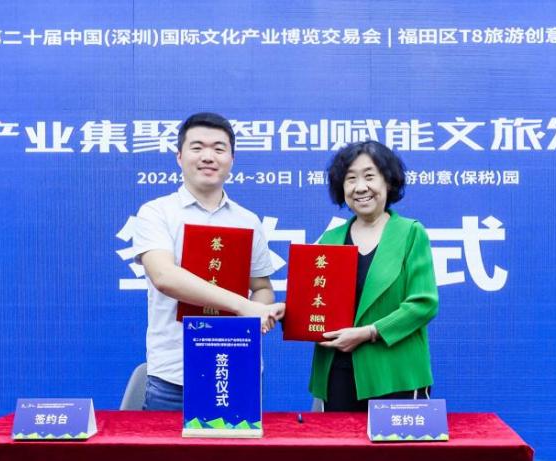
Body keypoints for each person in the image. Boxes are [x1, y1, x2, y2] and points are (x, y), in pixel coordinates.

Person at [132, 112, 284, 410]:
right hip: (174, 375)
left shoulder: (247, 220)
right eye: (197, 147)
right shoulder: (156, 212)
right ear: (179, 157)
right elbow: (164, 276)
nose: (208, 156)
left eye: (218, 148)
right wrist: (243, 306)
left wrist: (260, 312)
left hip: (238, 367)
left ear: (231, 159)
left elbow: (262, 287)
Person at [309, 141, 439, 411]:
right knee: (337, 441)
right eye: (350, 179)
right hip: (336, 372)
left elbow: (423, 304)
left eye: (369, 176)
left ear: (388, 182)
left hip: (395, 373)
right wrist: (287, 312)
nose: (360, 187)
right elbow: (315, 304)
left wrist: (368, 332)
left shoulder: (411, 233)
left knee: (393, 443)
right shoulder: (329, 240)